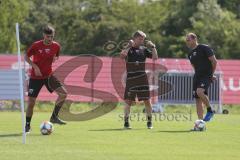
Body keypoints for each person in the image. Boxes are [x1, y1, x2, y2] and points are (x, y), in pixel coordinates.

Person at [25, 25, 68, 133]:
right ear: (44, 35)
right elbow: (26, 57)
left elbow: (57, 56)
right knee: (31, 103)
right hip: (36, 77)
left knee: (63, 94)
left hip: (48, 76)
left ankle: (54, 117)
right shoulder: (36, 45)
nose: (50, 39)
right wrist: (35, 67)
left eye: (52, 37)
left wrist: (55, 58)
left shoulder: (56, 46)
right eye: (48, 36)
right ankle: (27, 125)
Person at [120, 30, 158, 129]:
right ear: (135, 38)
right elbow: (121, 56)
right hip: (131, 78)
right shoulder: (129, 48)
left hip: (142, 77)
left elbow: (155, 58)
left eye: (143, 39)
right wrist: (128, 46)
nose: (142, 41)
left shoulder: (144, 49)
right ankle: (126, 123)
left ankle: (149, 123)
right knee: (128, 101)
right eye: (140, 39)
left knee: (147, 101)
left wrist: (153, 47)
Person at [186, 33, 217, 125]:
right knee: (197, 99)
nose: (187, 42)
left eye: (188, 40)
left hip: (206, 75)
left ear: (194, 39)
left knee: (200, 92)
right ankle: (200, 123)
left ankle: (210, 110)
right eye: (186, 40)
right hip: (197, 77)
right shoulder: (190, 54)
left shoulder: (204, 48)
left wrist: (211, 74)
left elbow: (214, 61)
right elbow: (194, 67)